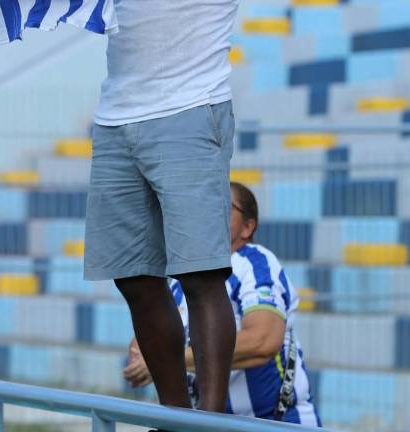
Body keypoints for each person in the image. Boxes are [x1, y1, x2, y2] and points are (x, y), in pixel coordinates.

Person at [66, 0, 254, 413]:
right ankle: (175, 417)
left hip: (189, 112)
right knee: (136, 281)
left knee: (201, 277)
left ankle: (214, 418)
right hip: (118, 117)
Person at [125, 183, 321, 426]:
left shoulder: (255, 263)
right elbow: (144, 344)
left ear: (248, 227)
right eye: (205, 205)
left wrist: (168, 359)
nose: (209, 212)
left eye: (222, 206)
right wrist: (143, 356)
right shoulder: (181, 281)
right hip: (210, 424)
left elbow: (263, 341)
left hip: (273, 422)